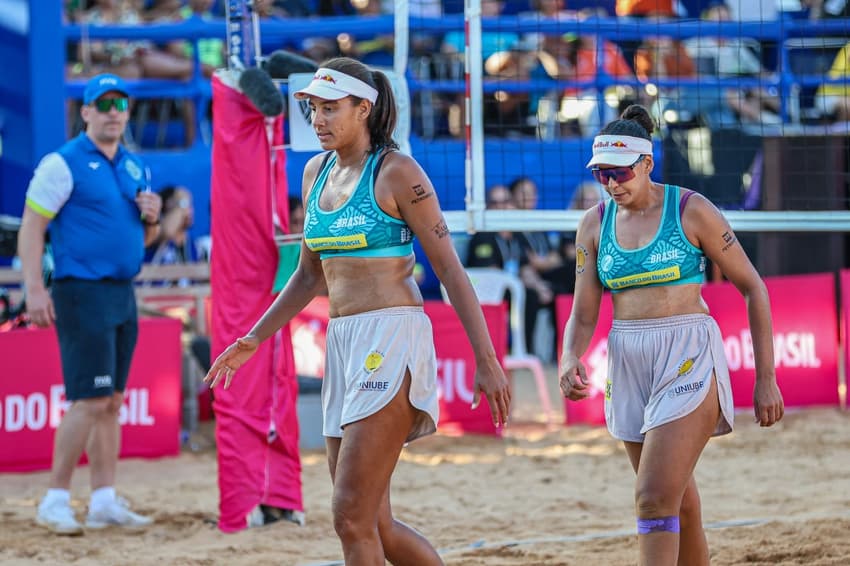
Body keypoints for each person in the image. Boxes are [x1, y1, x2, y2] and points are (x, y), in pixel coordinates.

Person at [205, 57, 510, 563]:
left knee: (349, 515)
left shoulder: (397, 172)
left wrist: (487, 358)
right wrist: (254, 337)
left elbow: (451, 271)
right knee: (371, 524)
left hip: (391, 336)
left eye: (330, 108)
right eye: (312, 109)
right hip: (343, 341)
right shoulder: (315, 172)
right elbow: (308, 276)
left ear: (363, 108)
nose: (318, 119)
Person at [558, 104, 784, 565]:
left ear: (646, 163)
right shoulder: (594, 223)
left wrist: (766, 378)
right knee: (678, 502)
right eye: (602, 174)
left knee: (653, 498)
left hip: (687, 352)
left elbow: (753, 287)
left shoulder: (691, 209)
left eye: (620, 172)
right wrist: (569, 356)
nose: (611, 184)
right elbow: (583, 311)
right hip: (627, 357)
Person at [18, 73, 162, 535]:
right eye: (103, 104)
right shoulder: (62, 163)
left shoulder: (135, 166)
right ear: (85, 112)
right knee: (90, 398)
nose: (113, 113)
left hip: (121, 290)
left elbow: (142, 239)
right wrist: (34, 289)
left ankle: (103, 499)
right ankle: (55, 498)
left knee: (112, 400)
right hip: (80, 289)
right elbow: (31, 226)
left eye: (120, 104)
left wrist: (153, 220)